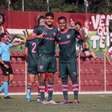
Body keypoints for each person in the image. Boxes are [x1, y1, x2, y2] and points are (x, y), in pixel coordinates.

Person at [27, 12, 58, 104]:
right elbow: (28, 38)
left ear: (53, 19)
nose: (49, 20)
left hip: (52, 56)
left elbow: (56, 40)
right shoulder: (39, 28)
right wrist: (37, 36)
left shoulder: (55, 30)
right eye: (47, 18)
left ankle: (50, 98)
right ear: (45, 19)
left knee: (51, 77)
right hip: (42, 56)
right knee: (42, 77)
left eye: (51, 18)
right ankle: (42, 98)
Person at [56, 16, 83, 104]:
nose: (62, 24)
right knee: (64, 80)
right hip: (62, 61)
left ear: (66, 23)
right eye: (60, 23)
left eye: (63, 22)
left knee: (74, 78)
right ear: (58, 24)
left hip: (71, 60)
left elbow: (82, 39)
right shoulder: (58, 35)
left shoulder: (72, 32)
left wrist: (78, 30)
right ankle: (65, 99)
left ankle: (76, 99)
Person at [25, 15, 45, 102]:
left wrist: (28, 59)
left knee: (31, 81)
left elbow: (25, 53)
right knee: (40, 81)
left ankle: (28, 95)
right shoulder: (41, 39)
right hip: (39, 61)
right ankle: (39, 96)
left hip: (31, 62)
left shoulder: (29, 40)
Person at [0, 33, 24, 99]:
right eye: (5, 37)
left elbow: (13, 44)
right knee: (6, 79)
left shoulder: (7, 44)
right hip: (4, 63)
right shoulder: (1, 45)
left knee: (11, 78)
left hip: (8, 62)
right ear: (2, 38)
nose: (7, 38)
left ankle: (1, 90)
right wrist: (4, 64)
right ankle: (6, 95)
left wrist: (21, 42)